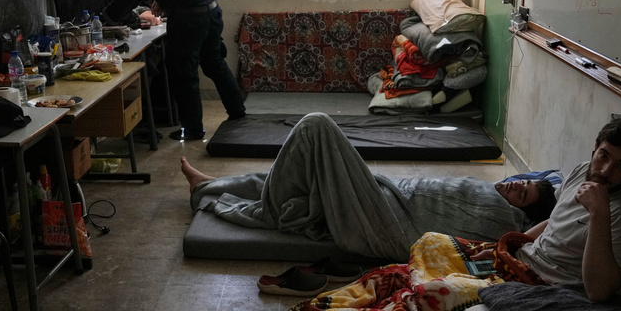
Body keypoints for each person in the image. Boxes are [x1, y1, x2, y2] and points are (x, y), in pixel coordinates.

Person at [182, 112, 557, 262]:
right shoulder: (490, 190)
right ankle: (214, 185)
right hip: (388, 196)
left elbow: (529, 239)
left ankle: (249, 205)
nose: (516, 185)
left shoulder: (503, 223)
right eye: (522, 181)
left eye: (523, 193)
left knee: (316, 127)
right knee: (307, 174)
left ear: (523, 213)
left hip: (387, 223)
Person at [476, 117, 621, 303]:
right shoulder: (583, 170)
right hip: (520, 260)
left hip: (547, 286)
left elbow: (599, 291)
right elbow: (553, 222)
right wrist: (504, 250)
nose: (605, 171)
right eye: (603, 156)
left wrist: (599, 214)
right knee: (457, 251)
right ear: (595, 147)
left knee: (457, 290)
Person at [103, 0, 245, 141]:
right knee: (215, 63)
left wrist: (107, 17)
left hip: (189, 18)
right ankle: (238, 112)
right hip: (211, 9)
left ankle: (193, 130)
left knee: (183, 73)